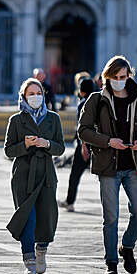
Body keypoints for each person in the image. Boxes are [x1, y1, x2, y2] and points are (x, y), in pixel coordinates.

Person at [78, 56, 137, 274]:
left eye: (123, 77)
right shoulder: (96, 99)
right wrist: (109, 141)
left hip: (133, 165)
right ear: (107, 78)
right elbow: (83, 130)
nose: (120, 81)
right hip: (108, 166)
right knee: (110, 217)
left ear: (129, 76)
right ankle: (111, 262)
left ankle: (127, 246)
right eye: (115, 78)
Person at [4, 78, 65, 274]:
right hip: (23, 175)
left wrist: (46, 144)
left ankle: (41, 250)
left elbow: (60, 148)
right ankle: (29, 259)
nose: (35, 97)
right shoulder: (16, 120)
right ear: (23, 97)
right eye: (31, 94)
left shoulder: (53, 118)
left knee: (46, 217)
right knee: (27, 219)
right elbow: (8, 151)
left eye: (38, 93)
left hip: (46, 174)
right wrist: (26, 145)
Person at [58, 78, 95, 211]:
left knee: (75, 174)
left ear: (82, 90)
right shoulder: (99, 101)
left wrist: (83, 146)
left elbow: (82, 127)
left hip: (85, 144)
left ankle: (70, 201)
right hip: (99, 143)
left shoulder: (83, 104)